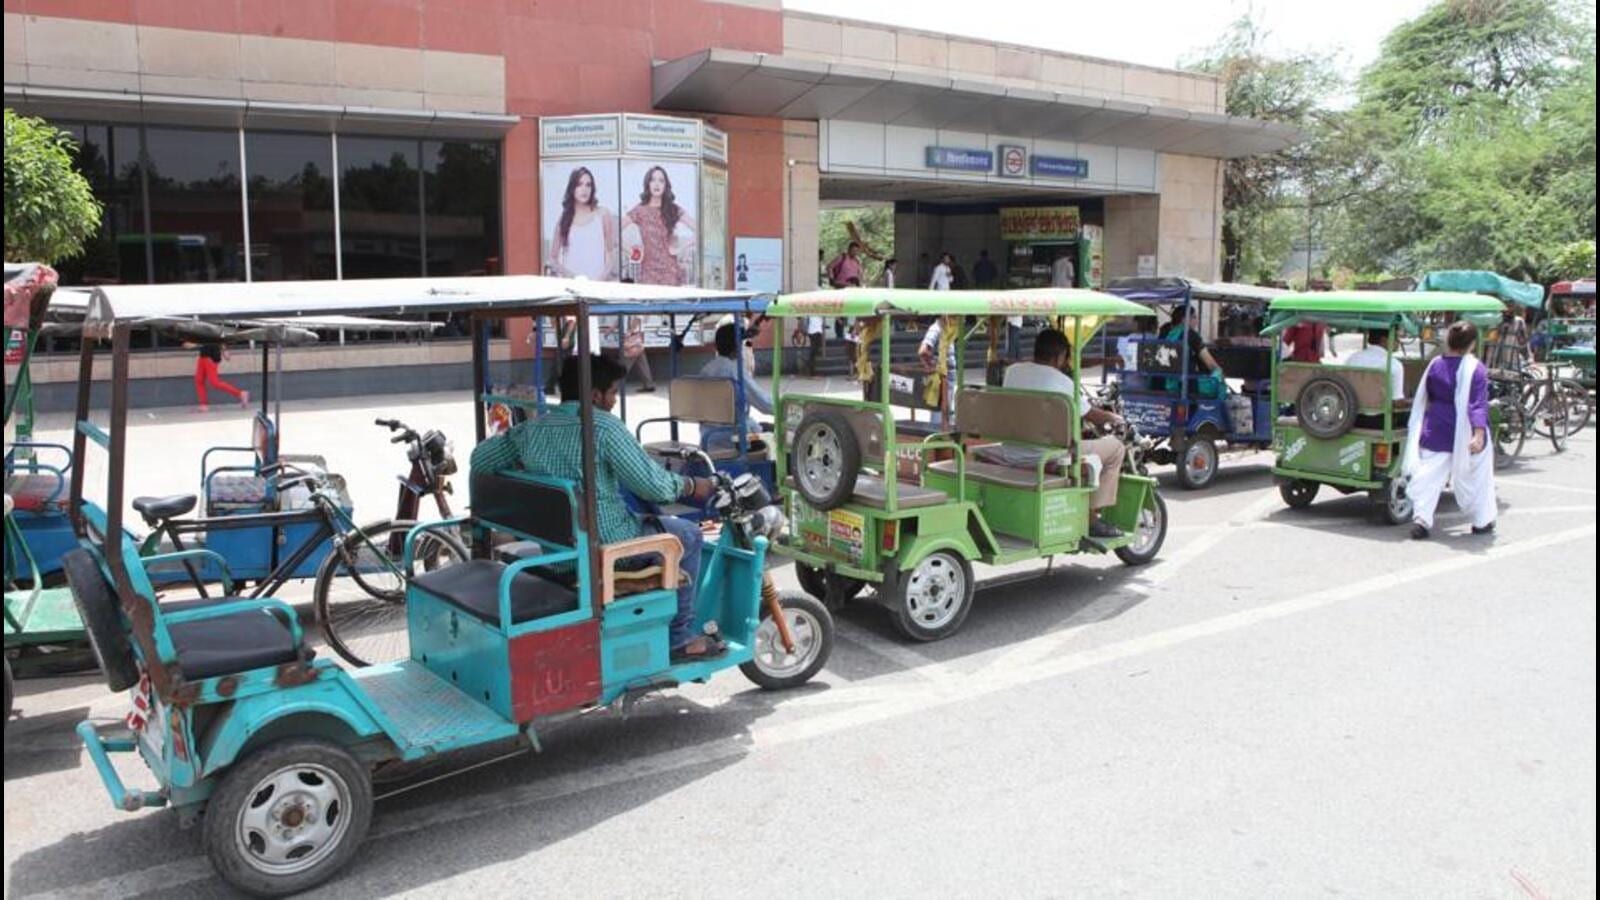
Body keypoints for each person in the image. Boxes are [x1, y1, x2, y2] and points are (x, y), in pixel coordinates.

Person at [470, 354, 724, 660]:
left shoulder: (534, 430)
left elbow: (480, 459)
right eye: (614, 392)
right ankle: (678, 639)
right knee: (689, 534)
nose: (615, 400)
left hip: (560, 552)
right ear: (595, 395)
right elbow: (653, 487)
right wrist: (693, 486)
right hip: (605, 548)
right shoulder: (603, 427)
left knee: (654, 522)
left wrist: (525, 458)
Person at [996, 328, 1128, 538]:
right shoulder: (1063, 382)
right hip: (1047, 457)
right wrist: (1115, 418)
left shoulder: (1013, 371)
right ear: (1059, 357)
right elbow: (1091, 414)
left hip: (1012, 451)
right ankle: (1092, 518)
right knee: (1116, 449)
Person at [1404, 320, 1496, 540]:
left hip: (1436, 427)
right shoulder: (1476, 369)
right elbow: (1477, 404)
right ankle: (1481, 521)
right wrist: (1479, 434)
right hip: (1464, 428)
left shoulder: (1435, 365)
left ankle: (1421, 520)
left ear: (1448, 340)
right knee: (1477, 477)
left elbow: (1427, 395)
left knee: (1429, 476)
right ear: (1472, 344)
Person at [698, 322, 774, 452]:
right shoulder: (734, 370)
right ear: (737, 346)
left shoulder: (706, 369)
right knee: (778, 432)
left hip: (708, 435)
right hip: (736, 436)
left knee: (763, 426)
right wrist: (784, 407)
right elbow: (764, 404)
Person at [624, 165, 695, 286]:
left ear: (665, 185)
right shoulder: (640, 211)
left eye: (661, 180)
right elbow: (614, 232)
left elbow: (702, 230)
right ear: (648, 184)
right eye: (653, 180)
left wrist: (680, 248)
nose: (656, 184)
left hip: (670, 273)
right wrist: (631, 252)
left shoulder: (673, 209)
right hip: (648, 274)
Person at [549, 166, 618, 281]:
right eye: (579, 184)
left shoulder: (602, 215)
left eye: (588, 185)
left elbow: (610, 254)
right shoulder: (564, 219)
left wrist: (601, 279)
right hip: (572, 287)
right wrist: (572, 277)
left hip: (597, 287)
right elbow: (553, 258)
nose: (584, 189)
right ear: (572, 188)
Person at [1344, 327, 1406, 400]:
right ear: (1384, 340)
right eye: (1396, 338)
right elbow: (1396, 401)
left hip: (1353, 408)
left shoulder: (1352, 358)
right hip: (1383, 410)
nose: (1399, 342)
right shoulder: (1394, 364)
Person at [189, 339, 248, 412]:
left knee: (214, 382)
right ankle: (204, 404)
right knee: (199, 380)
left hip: (211, 355)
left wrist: (225, 351)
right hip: (203, 355)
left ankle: (240, 393)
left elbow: (218, 336)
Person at [620, 315, 656, 392]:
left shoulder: (633, 307)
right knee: (642, 363)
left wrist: (629, 332)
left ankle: (615, 383)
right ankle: (649, 384)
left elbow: (637, 319)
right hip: (636, 338)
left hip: (633, 337)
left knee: (626, 361)